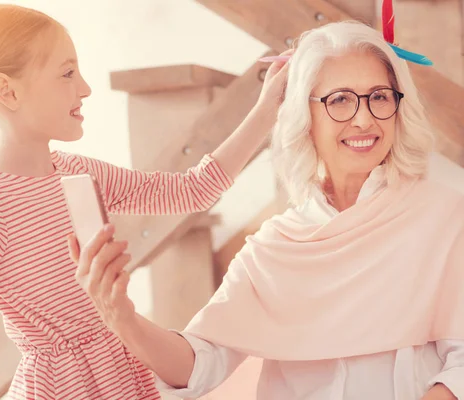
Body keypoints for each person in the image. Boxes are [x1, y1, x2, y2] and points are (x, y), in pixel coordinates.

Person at [72, 20, 464, 400]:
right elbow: (198, 366)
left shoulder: (445, 218)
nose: (364, 118)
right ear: (303, 116)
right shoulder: (274, 246)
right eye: (340, 99)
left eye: (379, 96)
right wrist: (122, 317)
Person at [0, 4, 289, 400]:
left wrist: (268, 109)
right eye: (67, 73)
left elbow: (192, 190)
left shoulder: (81, 173)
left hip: (123, 376)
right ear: (8, 91)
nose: (85, 88)